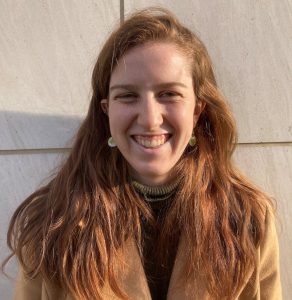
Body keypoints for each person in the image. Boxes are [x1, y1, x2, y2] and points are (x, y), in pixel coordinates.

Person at [3, 7, 281, 300]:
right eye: (127, 95)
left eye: (169, 93)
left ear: (197, 110)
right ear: (106, 111)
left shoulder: (248, 221)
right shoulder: (54, 223)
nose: (150, 119)